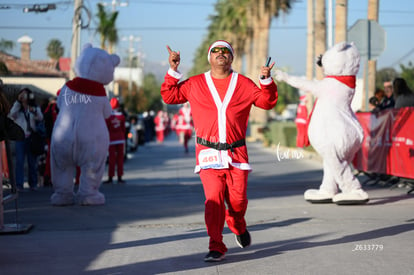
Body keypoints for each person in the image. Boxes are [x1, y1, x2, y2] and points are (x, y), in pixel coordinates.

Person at [160, 40, 277, 262]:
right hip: (208, 154)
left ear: (232, 58)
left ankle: (237, 224)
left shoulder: (243, 83)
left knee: (238, 203)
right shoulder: (195, 83)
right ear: (209, 57)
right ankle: (216, 245)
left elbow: (267, 102)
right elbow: (169, 96)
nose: (221, 53)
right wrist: (173, 70)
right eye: (216, 50)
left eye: (226, 51)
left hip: (236, 155)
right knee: (213, 201)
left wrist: (266, 81)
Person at [8, 88, 44, 191]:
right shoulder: (18, 108)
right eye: (22, 95)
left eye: (25, 95)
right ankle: (19, 184)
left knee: (32, 162)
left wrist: (34, 110)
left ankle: (33, 183)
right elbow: (11, 115)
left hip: (31, 138)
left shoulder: (34, 107)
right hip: (20, 138)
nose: (24, 97)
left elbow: (40, 118)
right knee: (19, 162)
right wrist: (18, 102)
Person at [104, 98, 126, 184]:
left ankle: (110, 177)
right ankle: (120, 177)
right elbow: (123, 129)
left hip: (111, 140)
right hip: (120, 139)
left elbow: (106, 128)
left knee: (112, 159)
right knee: (120, 158)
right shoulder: (122, 116)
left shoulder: (108, 116)